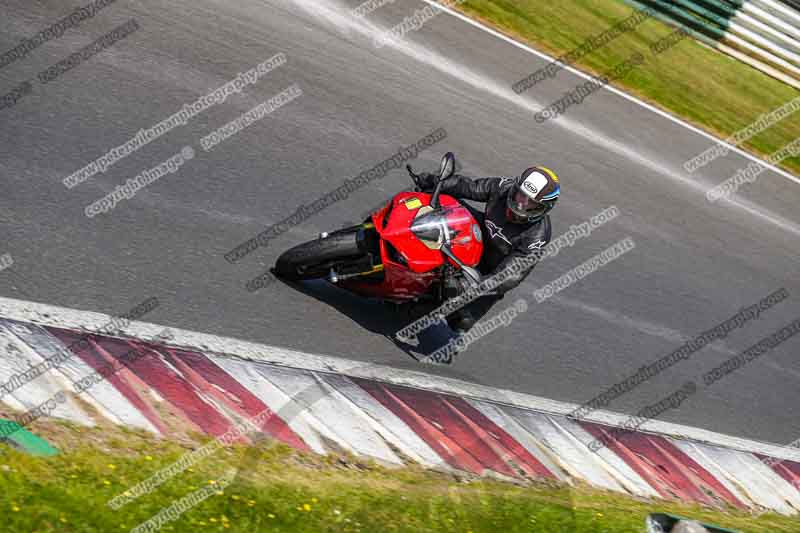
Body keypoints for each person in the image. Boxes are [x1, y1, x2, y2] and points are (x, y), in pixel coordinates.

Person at [406, 163, 560, 333]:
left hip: (492, 271)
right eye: (520, 194)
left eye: (530, 202)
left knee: (460, 321)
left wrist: (472, 286)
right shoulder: (503, 188)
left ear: (542, 208)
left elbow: (509, 275)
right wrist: (434, 181)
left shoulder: (537, 236)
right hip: (477, 234)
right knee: (447, 202)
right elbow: (468, 186)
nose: (521, 203)